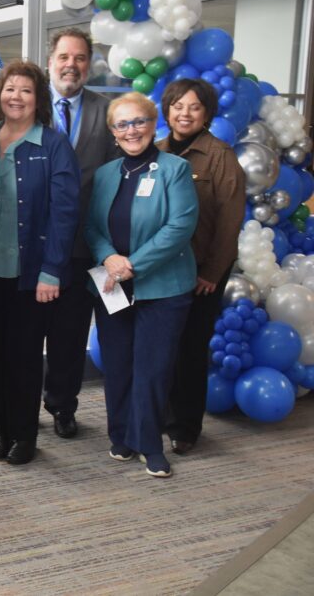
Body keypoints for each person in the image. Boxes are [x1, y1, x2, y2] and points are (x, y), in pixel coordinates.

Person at [86, 91, 199, 478]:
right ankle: (121, 436)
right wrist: (108, 258)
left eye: (139, 122)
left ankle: (149, 443)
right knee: (118, 366)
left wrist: (132, 264)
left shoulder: (174, 169)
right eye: (123, 124)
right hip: (112, 286)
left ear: (154, 125)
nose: (131, 130)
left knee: (152, 369)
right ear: (113, 132)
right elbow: (92, 228)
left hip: (162, 287)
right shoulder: (104, 175)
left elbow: (180, 226)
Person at [0, 61, 79, 466]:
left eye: (25, 90)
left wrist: (52, 269)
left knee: (23, 356)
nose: (16, 97)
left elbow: (65, 212)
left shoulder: (54, 145)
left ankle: (24, 435)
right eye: (9, 89)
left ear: (38, 98)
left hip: (33, 273)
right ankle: (0, 429)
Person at [157, 79, 246, 455]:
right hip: (161, 269)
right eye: (178, 105)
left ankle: (186, 427)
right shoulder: (156, 149)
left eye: (194, 107)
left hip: (201, 271)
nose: (185, 113)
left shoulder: (219, 155)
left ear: (206, 113)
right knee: (163, 347)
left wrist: (211, 271)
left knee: (191, 349)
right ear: (167, 109)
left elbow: (230, 221)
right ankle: (161, 414)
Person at [42, 28, 119, 439]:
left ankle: (61, 405)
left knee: (70, 334)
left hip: (83, 247)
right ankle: (23, 401)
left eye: (80, 58)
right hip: (32, 244)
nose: (71, 65)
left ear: (89, 64)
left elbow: (112, 179)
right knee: (26, 331)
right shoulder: (28, 105)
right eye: (64, 57)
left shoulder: (107, 111)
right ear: (50, 60)